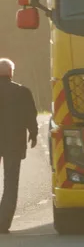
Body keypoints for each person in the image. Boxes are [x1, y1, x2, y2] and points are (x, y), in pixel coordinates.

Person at [0, 58, 39, 234]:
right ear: (11, 73)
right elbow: (31, 114)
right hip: (13, 143)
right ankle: (3, 223)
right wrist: (34, 132)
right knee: (10, 182)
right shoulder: (22, 91)